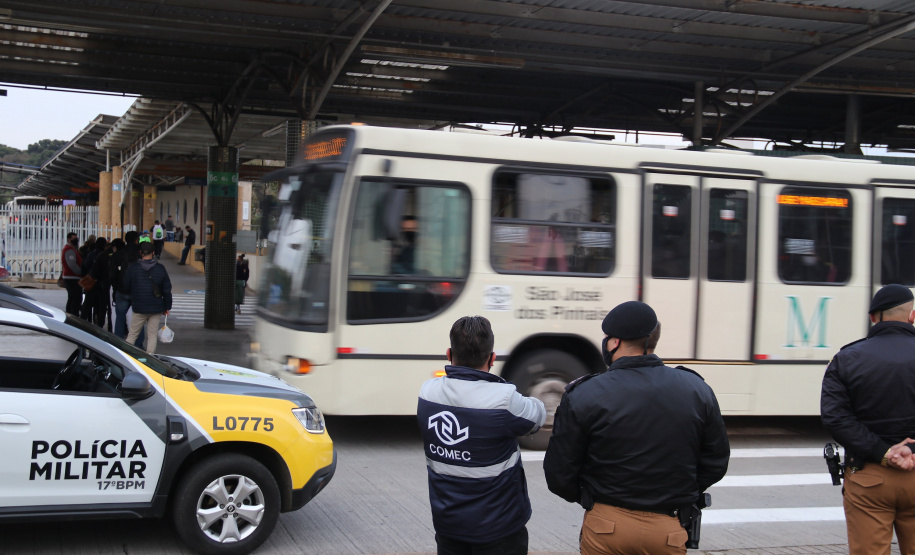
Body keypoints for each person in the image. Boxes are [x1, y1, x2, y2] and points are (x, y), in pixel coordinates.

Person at [543, 301, 730, 555]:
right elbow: (716, 462)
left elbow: (559, 473)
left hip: (606, 526)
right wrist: (680, 493)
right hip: (668, 529)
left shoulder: (584, 393)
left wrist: (593, 498)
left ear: (614, 342)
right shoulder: (697, 389)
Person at [417, 316, 546, 555]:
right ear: (492, 358)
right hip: (499, 530)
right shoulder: (504, 399)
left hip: (448, 526)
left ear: (449, 354)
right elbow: (538, 416)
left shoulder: (427, 393)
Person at [821, 284, 915, 555]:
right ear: (912, 316)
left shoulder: (847, 358)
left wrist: (884, 453)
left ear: (873, 317)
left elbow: (836, 417)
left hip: (869, 477)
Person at [123, 240, 172, 354]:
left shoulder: (133, 268)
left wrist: (135, 294)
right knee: (152, 335)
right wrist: (167, 307)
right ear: (153, 253)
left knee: (132, 334)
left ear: (140, 253)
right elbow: (166, 290)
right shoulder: (160, 268)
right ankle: (149, 358)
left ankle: (125, 357)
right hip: (156, 307)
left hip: (139, 306)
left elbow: (126, 286)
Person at [110, 231, 141, 339]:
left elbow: (112, 274)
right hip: (137, 291)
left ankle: (118, 341)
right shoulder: (140, 253)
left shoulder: (118, 254)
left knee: (120, 317)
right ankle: (138, 344)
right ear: (136, 240)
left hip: (122, 290)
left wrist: (116, 288)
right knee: (139, 318)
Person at [79, 237, 107, 323]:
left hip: (92, 281)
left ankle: (82, 320)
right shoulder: (105, 255)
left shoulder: (91, 254)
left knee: (88, 302)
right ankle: (98, 321)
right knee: (101, 304)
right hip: (102, 282)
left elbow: (85, 266)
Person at [61, 232, 83, 316]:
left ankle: (71, 314)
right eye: (74, 239)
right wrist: (80, 272)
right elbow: (72, 264)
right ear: (68, 239)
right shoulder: (69, 250)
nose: (76, 240)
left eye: (76, 238)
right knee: (75, 298)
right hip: (72, 277)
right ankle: (72, 315)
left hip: (72, 277)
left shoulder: (72, 249)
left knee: (73, 298)